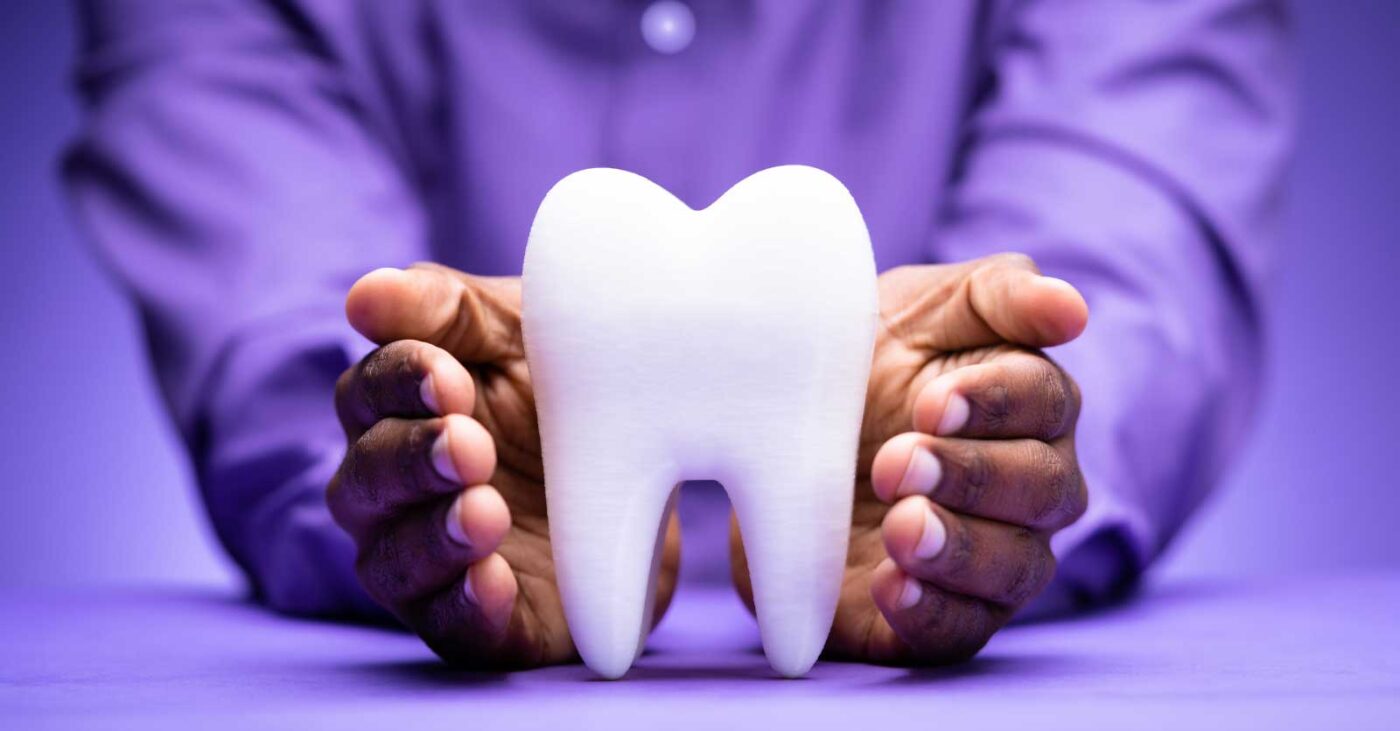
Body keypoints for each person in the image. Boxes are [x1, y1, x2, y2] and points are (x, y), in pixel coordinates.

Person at [64, 0, 1292, 668]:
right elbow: (276, 296)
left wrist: (975, 435)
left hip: (864, 495)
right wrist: (427, 448)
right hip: (518, 519)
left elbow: (1135, 246)